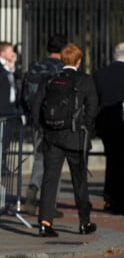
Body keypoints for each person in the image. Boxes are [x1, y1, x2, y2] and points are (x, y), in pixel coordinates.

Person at [31, 43, 98, 237]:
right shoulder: (85, 80)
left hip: (52, 137)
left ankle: (44, 222)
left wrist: (43, 129)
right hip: (76, 137)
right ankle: (84, 223)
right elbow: (93, 110)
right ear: (78, 60)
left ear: (62, 59)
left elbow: (37, 108)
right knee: (79, 181)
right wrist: (85, 126)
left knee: (50, 179)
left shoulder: (50, 79)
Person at [22, 34, 67, 217]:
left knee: (39, 157)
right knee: (55, 163)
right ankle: (50, 205)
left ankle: (33, 187)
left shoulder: (34, 68)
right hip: (56, 122)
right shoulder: (61, 70)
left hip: (36, 121)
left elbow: (24, 95)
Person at [93, 42, 124, 215]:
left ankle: (110, 196)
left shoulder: (101, 73)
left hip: (107, 125)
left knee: (112, 161)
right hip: (120, 121)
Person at [0, 41, 21, 118]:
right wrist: (6, 68)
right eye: (10, 51)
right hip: (0, 109)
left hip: (13, 106)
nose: (13, 54)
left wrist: (12, 68)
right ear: (2, 53)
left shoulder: (12, 65)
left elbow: (19, 77)